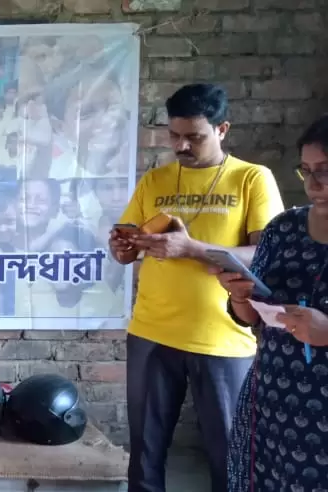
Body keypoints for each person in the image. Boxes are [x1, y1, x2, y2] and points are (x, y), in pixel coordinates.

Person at [107, 83, 284, 492]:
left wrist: (191, 248)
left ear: (222, 129)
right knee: (145, 455)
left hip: (223, 337)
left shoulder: (251, 179)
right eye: (174, 135)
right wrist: (122, 248)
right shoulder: (155, 180)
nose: (181, 146)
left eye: (194, 136)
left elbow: (266, 254)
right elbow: (129, 249)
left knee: (229, 456)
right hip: (151, 332)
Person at [215, 114, 328, 491]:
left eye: (325, 171)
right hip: (270, 402)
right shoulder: (283, 229)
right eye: (306, 170)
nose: (313, 184)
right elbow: (251, 316)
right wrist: (239, 296)